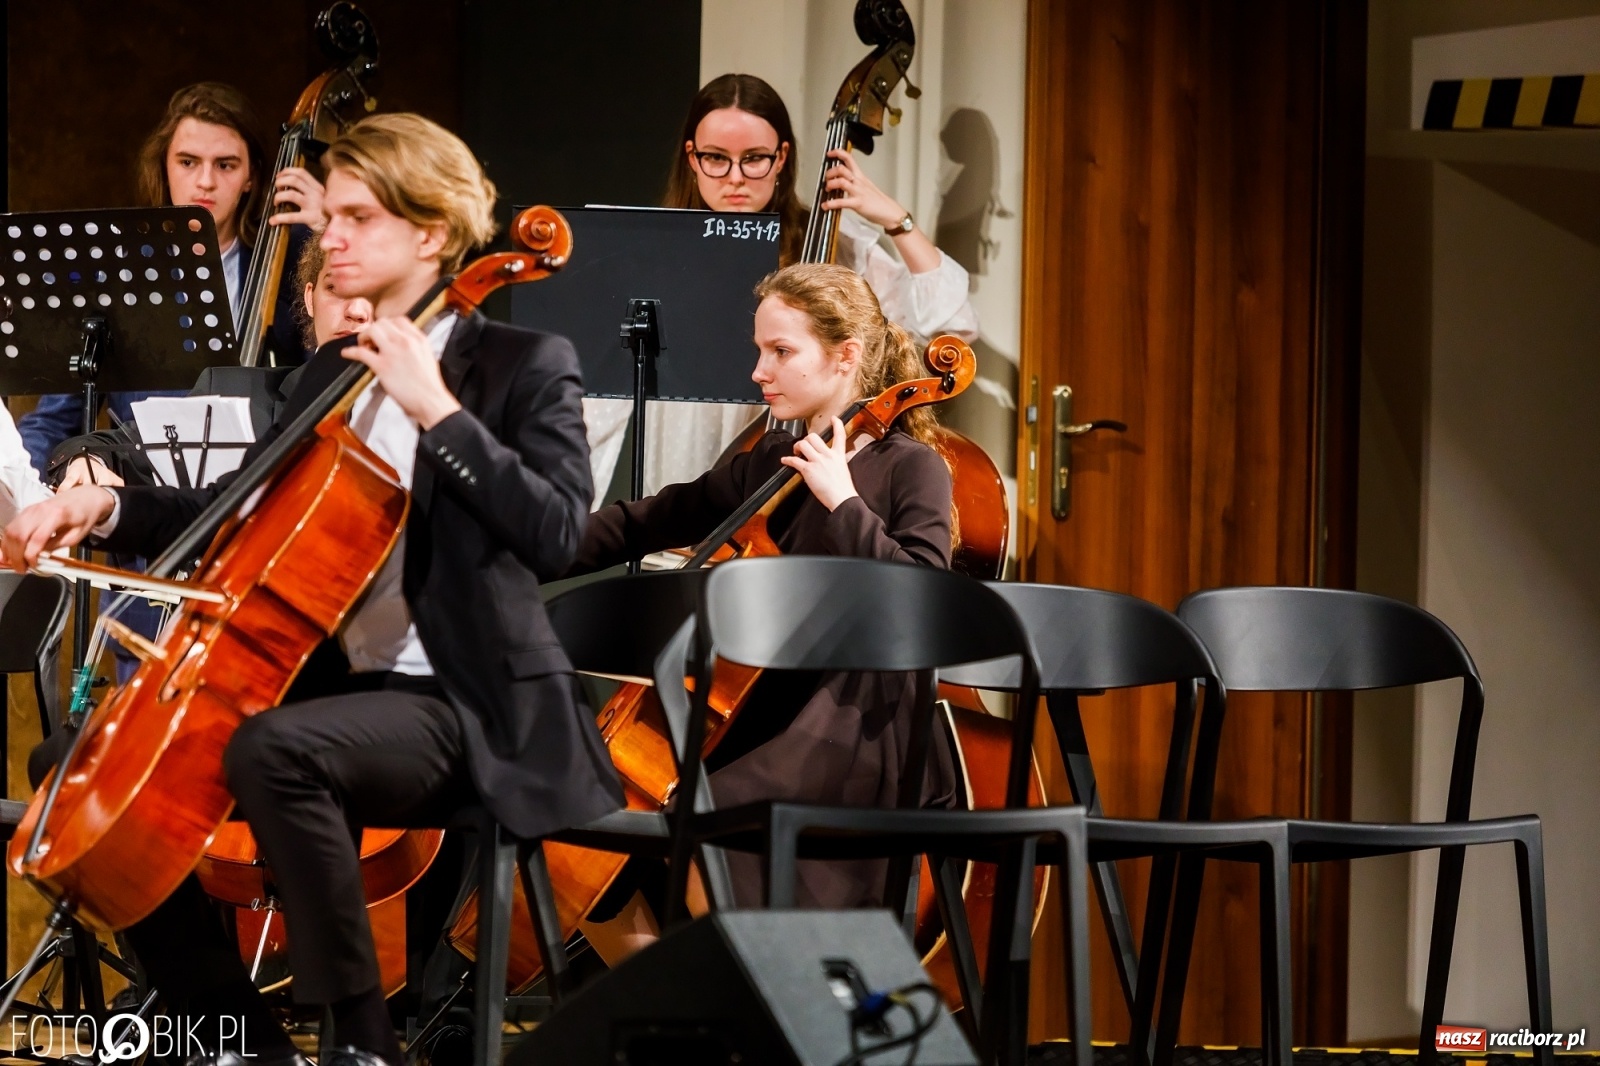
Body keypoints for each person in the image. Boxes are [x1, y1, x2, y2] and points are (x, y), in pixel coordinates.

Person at [3, 112, 621, 1066]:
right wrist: (105, 509)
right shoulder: (328, 373)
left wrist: (437, 412)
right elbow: (227, 513)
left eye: (356, 217)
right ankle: (240, 1039)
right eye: (328, 214)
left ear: (429, 233)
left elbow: (554, 534)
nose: (327, 236)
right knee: (74, 764)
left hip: (473, 702)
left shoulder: (522, 367)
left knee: (277, 752)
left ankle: (360, 1045)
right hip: (339, 690)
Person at [567, 261, 958, 961]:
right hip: (759, 712)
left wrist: (842, 498)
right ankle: (697, 1026)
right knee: (579, 830)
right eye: (759, 350)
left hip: (855, 721)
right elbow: (645, 520)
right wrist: (511, 546)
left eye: (781, 352)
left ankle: (764, 1009)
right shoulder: (769, 461)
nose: (758, 371)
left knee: (698, 821)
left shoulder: (909, 467)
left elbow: (922, 603)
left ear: (847, 357)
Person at [585, 72, 979, 503]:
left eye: (754, 158)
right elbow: (600, 398)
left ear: (782, 157)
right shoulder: (655, 252)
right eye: (716, 158)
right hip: (683, 457)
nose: (735, 177)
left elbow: (952, 327)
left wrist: (894, 219)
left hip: (802, 474)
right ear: (691, 158)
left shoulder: (831, 246)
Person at [19, 82, 321, 476]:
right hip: (149, 498)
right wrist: (18, 496)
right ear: (164, 165)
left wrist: (334, 235)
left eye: (226, 164)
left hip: (268, 490)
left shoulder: (293, 256)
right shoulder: (119, 270)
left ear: (252, 176)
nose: (206, 182)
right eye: (188, 162)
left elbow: (335, 374)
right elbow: (55, 420)